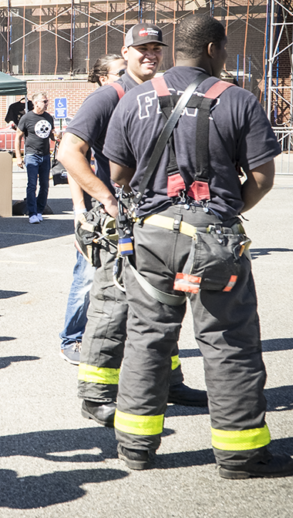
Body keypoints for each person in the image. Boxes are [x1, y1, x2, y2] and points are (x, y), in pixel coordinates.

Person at [103, 13, 293, 479]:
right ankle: (239, 455)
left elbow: (118, 177)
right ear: (212, 49)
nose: (225, 56)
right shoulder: (239, 101)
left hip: (150, 238)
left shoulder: (134, 100)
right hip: (212, 240)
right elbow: (263, 179)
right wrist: (223, 211)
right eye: (225, 49)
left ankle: (135, 448)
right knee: (228, 343)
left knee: (147, 339)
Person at [58, 23, 208, 426]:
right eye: (141, 49)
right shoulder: (109, 96)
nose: (150, 55)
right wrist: (101, 197)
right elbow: (68, 151)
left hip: (159, 221)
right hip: (121, 223)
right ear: (125, 52)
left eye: (156, 48)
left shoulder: (162, 94)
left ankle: (169, 381)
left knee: (164, 306)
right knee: (112, 310)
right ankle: (96, 396)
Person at [56, 53, 126, 365]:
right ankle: (72, 338)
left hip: (128, 210)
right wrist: (80, 210)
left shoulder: (132, 104)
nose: (127, 78)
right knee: (86, 276)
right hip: (100, 212)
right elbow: (72, 162)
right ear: (102, 78)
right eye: (120, 73)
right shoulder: (98, 106)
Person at [14, 91, 55, 223]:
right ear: (35, 103)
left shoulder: (48, 117)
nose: (46, 103)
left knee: (45, 185)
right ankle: (32, 213)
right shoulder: (27, 118)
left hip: (45, 155)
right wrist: (18, 157)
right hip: (32, 155)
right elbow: (18, 137)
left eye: (47, 101)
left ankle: (39, 211)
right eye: (44, 101)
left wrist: (57, 136)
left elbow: (51, 134)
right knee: (32, 184)